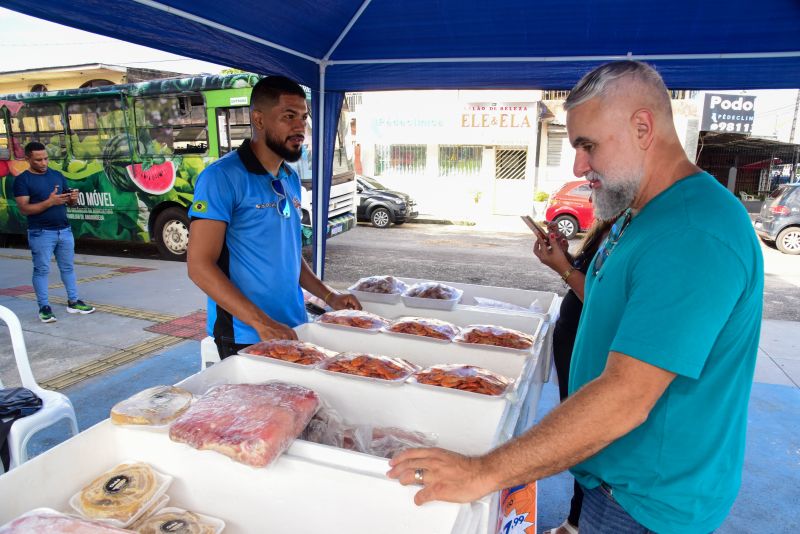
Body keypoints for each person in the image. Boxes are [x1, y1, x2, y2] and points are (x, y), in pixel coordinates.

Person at [388, 60, 764, 534]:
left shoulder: (692, 233)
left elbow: (625, 398)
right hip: (612, 473)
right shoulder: (641, 212)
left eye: (588, 146)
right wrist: (565, 268)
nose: (578, 166)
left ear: (643, 127)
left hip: (648, 503)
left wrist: (482, 472)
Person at [187, 76, 361, 358]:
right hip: (246, 335)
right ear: (259, 120)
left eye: (303, 117)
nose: (299, 127)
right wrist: (261, 322)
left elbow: (290, 254)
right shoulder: (221, 177)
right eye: (288, 116)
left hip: (294, 326)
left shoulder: (290, 178)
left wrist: (329, 296)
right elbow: (199, 266)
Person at [534, 218, 613, 534]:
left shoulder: (636, 227)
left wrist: (563, 269)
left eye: (593, 168)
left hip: (594, 347)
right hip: (575, 343)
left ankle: (579, 521)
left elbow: (603, 302)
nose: (584, 173)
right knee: (579, 428)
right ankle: (577, 518)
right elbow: (593, 276)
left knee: (586, 433)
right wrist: (565, 257)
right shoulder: (612, 224)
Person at [12, 141, 96, 323]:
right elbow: (24, 209)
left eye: (46, 159)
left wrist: (72, 199)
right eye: (38, 160)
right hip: (40, 232)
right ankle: (44, 307)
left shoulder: (56, 175)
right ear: (27, 159)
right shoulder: (22, 180)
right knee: (42, 269)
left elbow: (67, 201)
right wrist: (49, 202)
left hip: (64, 230)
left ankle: (73, 302)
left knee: (68, 267)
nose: (43, 163)